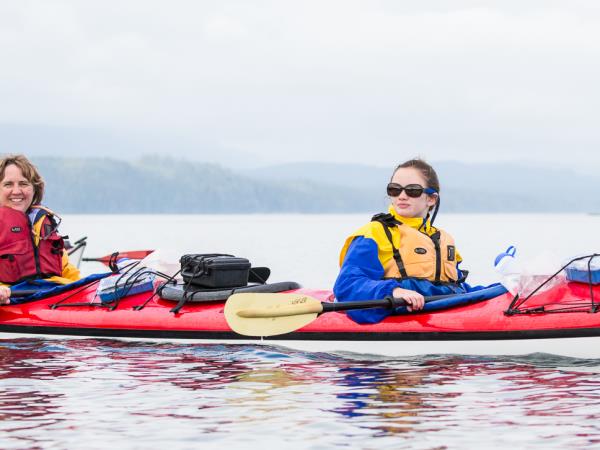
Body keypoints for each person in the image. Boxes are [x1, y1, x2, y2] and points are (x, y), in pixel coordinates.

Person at [333, 158, 467, 323]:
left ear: (431, 199)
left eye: (412, 190)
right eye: (395, 189)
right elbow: (347, 285)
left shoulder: (442, 239)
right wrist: (395, 291)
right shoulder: (373, 234)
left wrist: (503, 288)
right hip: (396, 313)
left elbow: (458, 289)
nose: (402, 196)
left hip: (441, 312)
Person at [0, 154, 80, 304]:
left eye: (23, 184)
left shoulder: (42, 223)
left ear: (34, 189)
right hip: (10, 303)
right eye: (8, 184)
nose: (16, 191)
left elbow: (68, 271)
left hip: (49, 299)